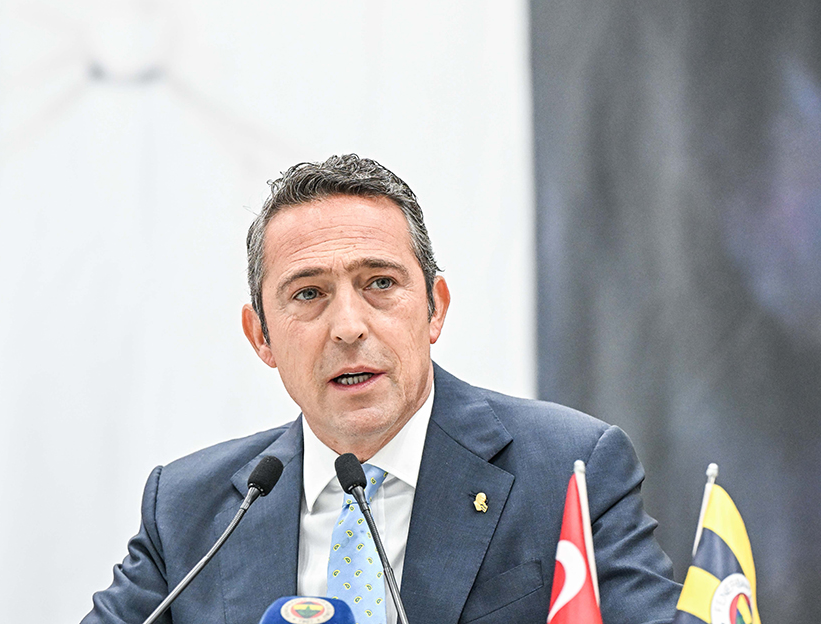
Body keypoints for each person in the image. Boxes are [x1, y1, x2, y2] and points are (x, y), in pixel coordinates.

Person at [81, 155, 680, 624]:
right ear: (261, 336)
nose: (348, 326)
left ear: (434, 308)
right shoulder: (189, 509)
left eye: (380, 283)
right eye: (308, 294)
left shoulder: (570, 470)